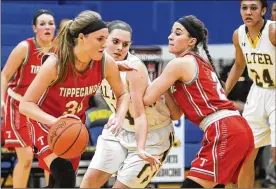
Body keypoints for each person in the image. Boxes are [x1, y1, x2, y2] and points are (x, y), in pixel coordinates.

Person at [18, 10, 130, 188]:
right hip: (45, 123)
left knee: (59, 182)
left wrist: (119, 115)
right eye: (99, 39)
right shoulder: (56, 64)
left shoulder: (105, 63)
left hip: (75, 126)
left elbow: (123, 94)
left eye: (106, 39)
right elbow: (25, 104)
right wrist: (55, 122)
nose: (105, 44)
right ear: (82, 38)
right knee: (66, 177)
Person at [142, 15, 255, 188]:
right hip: (234, 127)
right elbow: (176, 114)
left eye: (178, 33)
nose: (170, 37)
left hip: (224, 129)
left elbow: (147, 98)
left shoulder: (179, 64)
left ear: (191, 41)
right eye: (171, 32)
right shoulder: (198, 62)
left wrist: (134, 78)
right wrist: (164, 85)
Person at [80, 20, 174, 188]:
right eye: (115, 42)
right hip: (119, 129)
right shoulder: (95, 62)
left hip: (150, 135)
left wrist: (140, 148)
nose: (120, 48)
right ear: (104, 39)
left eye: (125, 44)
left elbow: (139, 115)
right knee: (88, 184)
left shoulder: (134, 68)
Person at [1, 9, 56, 188]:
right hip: (18, 105)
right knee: (26, 158)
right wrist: (1, 101)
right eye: (42, 24)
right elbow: (5, 75)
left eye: (50, 23)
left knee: (51, 158)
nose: (47, 27)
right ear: (34, 28)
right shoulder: (25, 47)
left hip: (43, 107)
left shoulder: (60, 50)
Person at [224, 0, 276, 187]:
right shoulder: (238, 35)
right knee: (246, 154)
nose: (248, 12)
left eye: (253, 8)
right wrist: (223, 93)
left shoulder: (272, 31)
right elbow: (239, 65)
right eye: (244, 8)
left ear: (263, 10)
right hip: (257, 92)